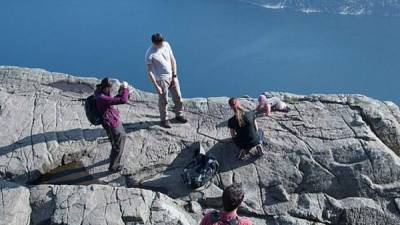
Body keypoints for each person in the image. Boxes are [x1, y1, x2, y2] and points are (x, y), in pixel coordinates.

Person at [145, 33, 187, 128]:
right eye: (160, 43)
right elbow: (150, 72)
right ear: (155, 43)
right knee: (164, 100)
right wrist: (157, 86)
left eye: (163, 41)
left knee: (178, 96)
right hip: (161, 79)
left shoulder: (166, 44)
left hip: (172, 75)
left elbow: (173, 59)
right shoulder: (150, 54)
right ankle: (164, 119)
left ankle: (179, 115)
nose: (162, 44)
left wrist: (175, 75)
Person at [95, 78, 129, 172]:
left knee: (116, 140)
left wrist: (123, 92)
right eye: (110, 88)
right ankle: (114, 166)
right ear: (105, 87)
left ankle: (113, 155)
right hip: (112, 123)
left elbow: (114, 99)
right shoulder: (102, 98)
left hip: (111, 119)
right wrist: (125, 88)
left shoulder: (101, 92)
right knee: (119, 142)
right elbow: (123, 100)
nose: (111, 90)